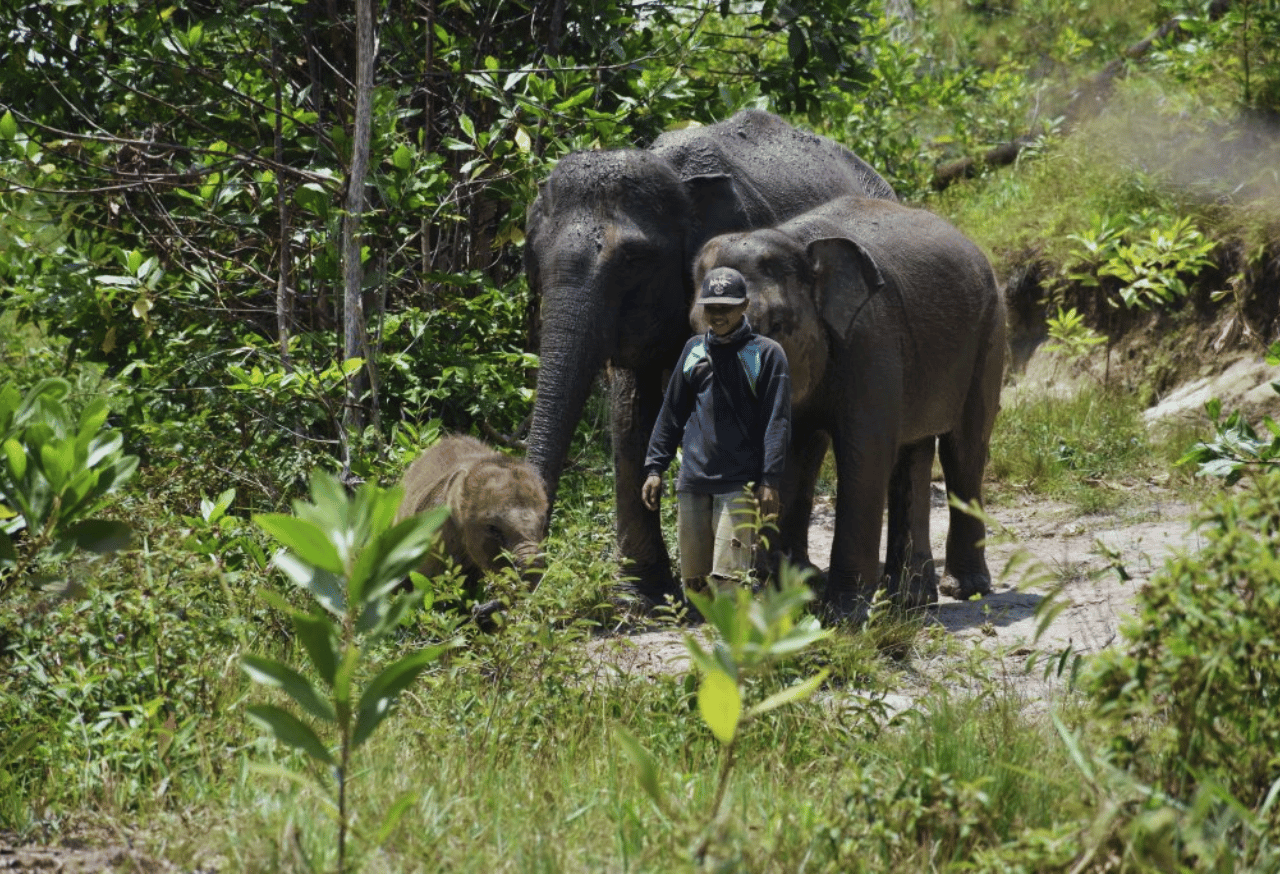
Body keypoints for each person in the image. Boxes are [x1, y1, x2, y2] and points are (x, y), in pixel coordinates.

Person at [641, 266, 791, 600]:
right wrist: (655, 467)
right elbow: (672, 412)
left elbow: (777, 420)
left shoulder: (765, 354)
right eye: (711, 307)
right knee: (695, 586)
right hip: (693, 482)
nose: (718, 315)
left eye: (726, 307)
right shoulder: (694, 350)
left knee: (729, 583)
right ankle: (708, 633)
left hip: (739, 485)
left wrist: (769, 480)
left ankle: (731, 635)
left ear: (745, 306)